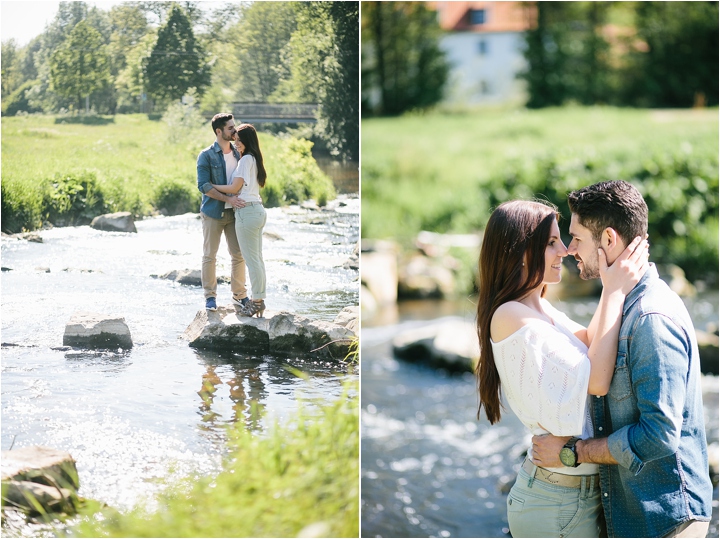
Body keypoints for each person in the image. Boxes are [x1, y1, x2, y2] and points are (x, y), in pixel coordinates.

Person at [531, 181, 713, 538]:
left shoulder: (650, 321)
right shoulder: (621, 306)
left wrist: (574, 452)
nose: (569, 250)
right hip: (637, 519)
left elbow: (659, 435)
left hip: (666, 524)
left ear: (609, 240)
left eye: (577, 238)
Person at [475, 199, 649, 537]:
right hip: (555, 503)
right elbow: (597, 380)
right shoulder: (510, 315)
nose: (565, 251)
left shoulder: (538, 306)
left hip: (576, 495)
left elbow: (590, 340)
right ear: (521, 251)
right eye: (552, 242)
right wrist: (614, 290)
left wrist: (612, 281)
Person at [209, 124, 267, 317]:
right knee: (257, 259)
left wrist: (211, 186)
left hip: (247, 213)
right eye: (235, 141)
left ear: (246, 141)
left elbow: (234, 188)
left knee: (252, 261)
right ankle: (258, 299)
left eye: (239, 141)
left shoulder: (245, 160)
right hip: (256, 210)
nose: (237, 145)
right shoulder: (254, 158)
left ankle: (256, 301)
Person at [196, 112, 252, 313]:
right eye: (230, 128)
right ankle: (210, 297)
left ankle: (240, 295)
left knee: (239, 255)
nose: (234, 131)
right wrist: (228, 199)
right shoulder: (206, 155)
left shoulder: (240, 153)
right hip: (213, 212)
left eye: (234, 126)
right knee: (210, 255)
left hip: (236, 214)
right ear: (219, 131)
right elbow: (203, 186)